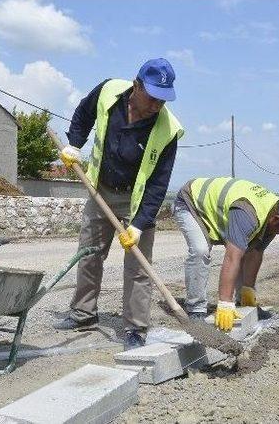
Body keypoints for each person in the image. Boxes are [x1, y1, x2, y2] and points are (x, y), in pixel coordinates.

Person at [52, 58, 185, 350]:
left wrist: (138, 225)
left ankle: (136, 328)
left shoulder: (168, 130)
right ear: (136, 85)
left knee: (138, 266)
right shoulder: (109, 92)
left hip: (137, 202)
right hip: (100, 189)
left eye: (163, 100)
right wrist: (75, 143)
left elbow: (158, 184)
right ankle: (83, 313)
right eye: (152, 97)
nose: (157, 106)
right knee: (90, 253)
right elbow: (84, 114)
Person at [172, 177, 279, 331]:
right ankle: (196, 310)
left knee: (247, 249)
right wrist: (224, 302)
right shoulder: (248, 214)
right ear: (276, 220)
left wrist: (248, 290)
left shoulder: (273, 214)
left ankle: (241, 302)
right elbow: (232, 257)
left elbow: (255, 252)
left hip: (218, 210)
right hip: (191, 203)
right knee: (200, 250)